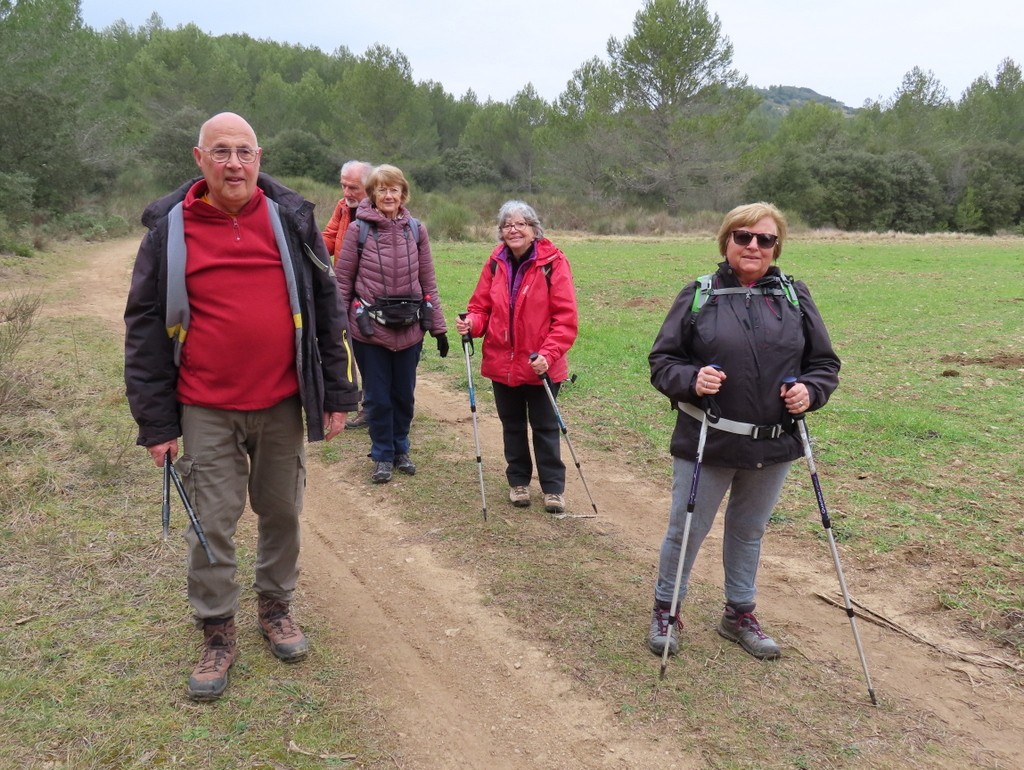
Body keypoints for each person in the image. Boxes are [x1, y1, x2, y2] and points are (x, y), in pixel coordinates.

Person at [124, 112, 359, 702]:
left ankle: (276, 606)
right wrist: (156, 421)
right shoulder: (170, 229)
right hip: (203, 405)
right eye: (221, 152)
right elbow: (145, 326)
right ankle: (217, 628)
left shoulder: (289, 220)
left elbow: (327, 309)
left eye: (244, 152)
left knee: (282, 511)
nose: (234, 163)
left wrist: (337, 392)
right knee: (212, 523)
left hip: (282, 401)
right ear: (198, 158)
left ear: (260, 157)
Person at [646, 202, 840, 661]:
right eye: (743, 237)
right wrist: (691, 380)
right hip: (708, 438)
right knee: (687, 528)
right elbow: (663, 362)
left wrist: (810, 392)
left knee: (749, 529)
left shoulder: (795, 296)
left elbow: (823, 364)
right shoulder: (700, 294)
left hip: (773, 443)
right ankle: (666, 611)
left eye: (765, 239)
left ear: (777, 247)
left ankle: (738, 614)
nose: (753, 246)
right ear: (726, 241)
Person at [455, 201, 578, 514]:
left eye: (521, 224)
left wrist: (549, 355)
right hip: (502, 362)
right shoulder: (495, 262)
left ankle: (553, 488)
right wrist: (471, 323)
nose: (513, 229)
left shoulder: (553, 262)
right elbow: (481, 307)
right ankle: (518, 482)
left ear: (534, 229)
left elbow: (565, 319)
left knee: (545, 427)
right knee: (512, 425)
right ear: (501, 232)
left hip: (541, 364)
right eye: (507, 225)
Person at [335, 164, 448, 483]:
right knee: (377, 397)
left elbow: (428, 281)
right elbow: (343, 282)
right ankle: (382, 454)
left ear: (403, 194)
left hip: (410, 328)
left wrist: (438, 328)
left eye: (394, 189)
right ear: (372, 193)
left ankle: (401, 449)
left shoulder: (416, 229)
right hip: (369, 330)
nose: (388, 195)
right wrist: (338, 328)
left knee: (403, 395)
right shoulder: (359, 230)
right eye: (382, 189)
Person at [322, 160, 373, 429]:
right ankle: (364, 401)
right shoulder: (343, 208)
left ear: (369, 186)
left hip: (371, 292)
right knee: (349, 345)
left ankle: (375, 405)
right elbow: (329, 238)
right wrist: (303, 245)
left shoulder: (379, 210)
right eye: (343, 185)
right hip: (345, 287)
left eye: (352, 187)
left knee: (369, 349)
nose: (346, 192)